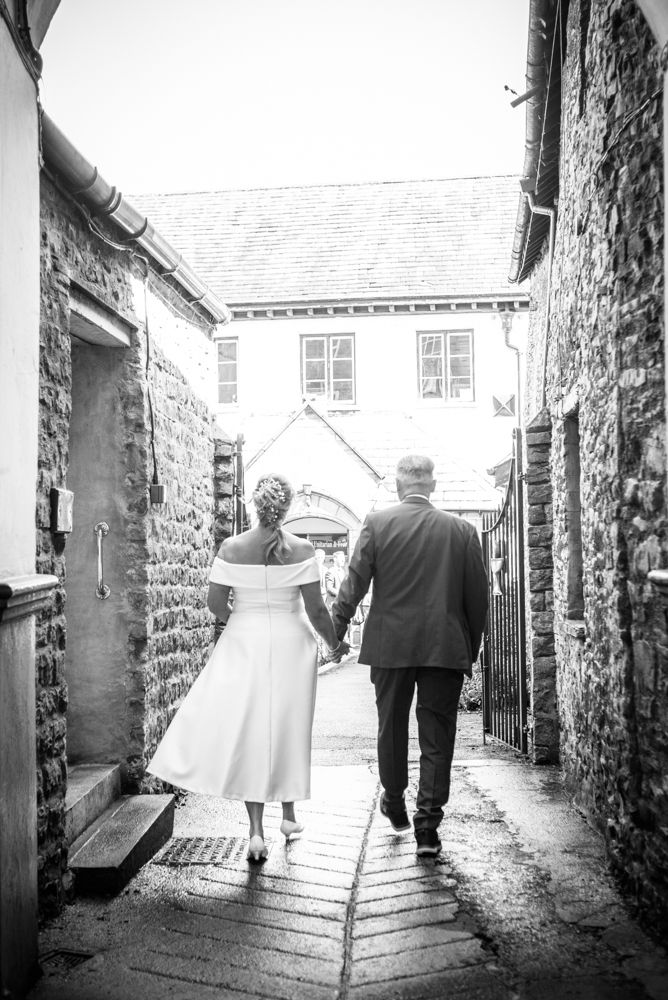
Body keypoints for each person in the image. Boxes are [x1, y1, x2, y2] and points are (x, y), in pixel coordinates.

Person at [147, 473, 349, 863]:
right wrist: (335, 643)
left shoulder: (232, 547)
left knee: (253, 730)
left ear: (254, 506)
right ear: (286, 507)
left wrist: (242, 617)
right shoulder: (304, 549)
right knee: (288, 727)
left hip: (244, 644)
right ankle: (289, 816)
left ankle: (256, 833)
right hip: (292, 645)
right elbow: (317, 609)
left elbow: (215, 603)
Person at [331, 455, 488, 857]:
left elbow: (354, 584)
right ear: (433, 486)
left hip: (390, 646)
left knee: (392, 725)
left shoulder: (378, 525)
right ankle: (428, 828)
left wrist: (335, 630)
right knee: (437, 736)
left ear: (398, 486)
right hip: (444, 647)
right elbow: (478, 601)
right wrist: (468, 649)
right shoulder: (463, 531)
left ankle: (395, 798)